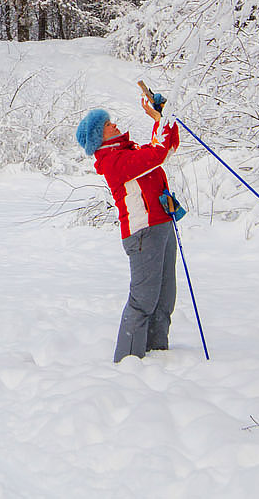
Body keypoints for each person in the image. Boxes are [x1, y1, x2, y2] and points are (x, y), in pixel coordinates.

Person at [76, 96, 181, 362]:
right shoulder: (113, 161)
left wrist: (164, 119)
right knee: (144, 300)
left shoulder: (129, 151)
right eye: (107, 124)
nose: (114, 124)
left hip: (162, 225)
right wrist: (158, 122)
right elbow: (156, 155)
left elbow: (166, 150)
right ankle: (128, 361)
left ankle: (157, 355)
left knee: (164, 298)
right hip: (143, 233)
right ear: (99, 137)